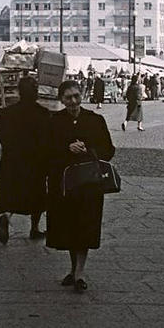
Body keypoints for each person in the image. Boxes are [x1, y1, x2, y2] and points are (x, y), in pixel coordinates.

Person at [45, 80, 115, 293]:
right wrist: (66, 149)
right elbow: (45, 150)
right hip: (64, 185)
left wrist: (89, 150)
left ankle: (80, 272)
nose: (73, 101)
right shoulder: (54, 121)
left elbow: (108, 150)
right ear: (61, 99)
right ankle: (73, 268)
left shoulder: (95, 120)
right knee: (68, 226)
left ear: (81, 95)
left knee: (85, 225)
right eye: (68, 98)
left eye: (76, 96)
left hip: (89, 184)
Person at [0, 77, 50, 244]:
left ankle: (6, 216)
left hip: (12, 161)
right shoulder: (43, 113)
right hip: (35, 161)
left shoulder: (7, 113)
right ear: (36, 92)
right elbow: (47, 139)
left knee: (12, 193)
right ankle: (34, 228)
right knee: (37, 195)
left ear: (19, 92)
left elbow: (2, 137)